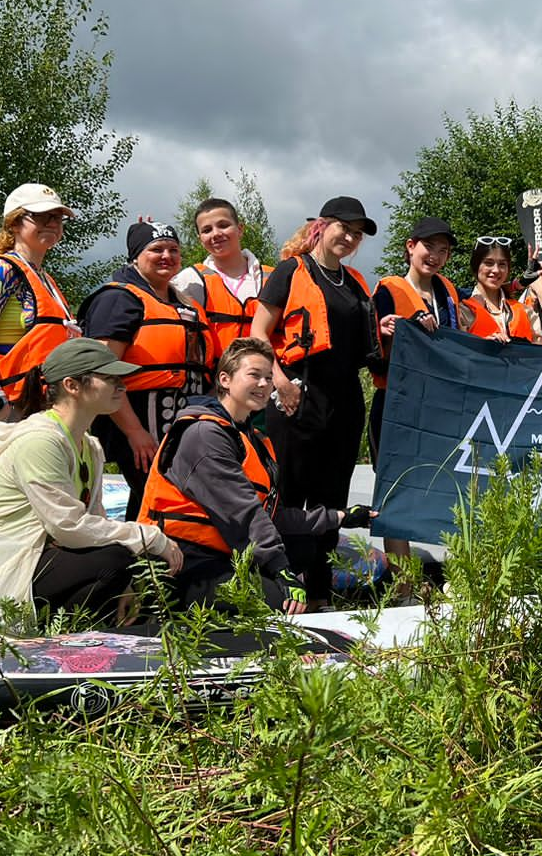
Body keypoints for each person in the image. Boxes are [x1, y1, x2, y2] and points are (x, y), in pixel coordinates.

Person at [0, 337, 184, 628]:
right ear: (72, 385)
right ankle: (64, 639)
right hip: (0, 569)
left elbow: (94, 521)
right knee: (116, 559)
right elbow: (68, 527)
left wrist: (131, 574)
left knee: (140, 562)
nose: (122, 387)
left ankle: (103, 637)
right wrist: (148, 537)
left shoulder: (89, 446)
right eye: (110, 378)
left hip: (39, 556)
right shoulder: (40, 441)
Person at [138, 337, 377, 614]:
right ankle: (173, 608)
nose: (264, 384)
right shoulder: (204, 435)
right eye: (254, 375)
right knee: (275, 600)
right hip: (182, 557)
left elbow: (271, 514)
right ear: (225, 380)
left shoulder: (250, 437)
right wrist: (281, 570)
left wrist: (342, 517)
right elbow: (244, 512)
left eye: (268, 377)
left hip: (225, 550)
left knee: (303, 546)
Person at [250, 196, 380, 608]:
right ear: (322, 226)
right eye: (345, 228)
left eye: (357, 234)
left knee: (331, 499)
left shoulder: (356, 282)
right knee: (289, 495)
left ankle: (321, 594)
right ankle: (284, 589)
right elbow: (257, 334)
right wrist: (279, 382)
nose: (350, 238)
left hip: (344, 400)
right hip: (296, 395)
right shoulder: (291, 270)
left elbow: (367, 347)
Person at [78, 221, 220, 521]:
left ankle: (168, 559)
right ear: (135, 257)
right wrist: (134, 432)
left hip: (184, 415)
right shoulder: (119, 299)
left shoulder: (184, 303)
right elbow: (101, 368)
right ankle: (142, 563)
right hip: (140, 416)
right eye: (156, 249)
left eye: (173, 250)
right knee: (154, 494)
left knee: (173, 495)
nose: (166, 255)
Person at [0, 183, 80, 496]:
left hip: (31, 402)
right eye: (42, 217)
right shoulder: (1, 270)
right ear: (16, 223)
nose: (52, 224)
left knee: (31, 495)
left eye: (57, 218)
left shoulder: (44, 279)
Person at [370, 217, 468, 461]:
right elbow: (374, 358)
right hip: (398, 402)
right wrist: (400, 330)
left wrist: (522, 283)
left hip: (440, 403)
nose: (435, 255)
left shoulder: (449, 293)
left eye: (443, 250)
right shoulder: (388, 292)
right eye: (429, 246)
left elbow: (488, 294)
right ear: (411, 246)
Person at [172, 197, 273, 351]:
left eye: (223, 225)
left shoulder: (272, 277)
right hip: (216, 372)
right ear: (200, 239)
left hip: (266, 372)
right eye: (207, 230)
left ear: (240, 229)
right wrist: (145, 247)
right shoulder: (190, 280)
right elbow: (153, 297)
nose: (216, 234)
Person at [465, 236, 539, 343]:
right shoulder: (463, 311)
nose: (496, 270)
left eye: (502, 264)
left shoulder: (525, 312)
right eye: (488, 263)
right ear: (476, 266)